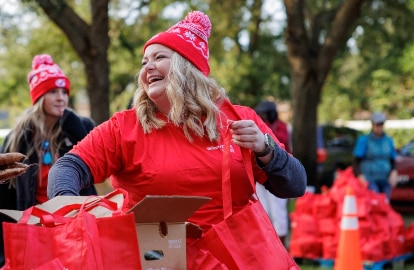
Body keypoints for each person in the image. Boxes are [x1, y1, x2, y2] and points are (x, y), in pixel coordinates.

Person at [47, 11, 306, 268]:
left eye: (159, 57)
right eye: (144, 61)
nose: (147, 67)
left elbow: (295, 186)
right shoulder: (124, 127)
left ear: (188, 68)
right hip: (161, 259)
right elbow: (67, 168)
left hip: (241, 258)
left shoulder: (239, 119)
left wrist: (266, 149)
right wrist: (69, 209)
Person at [0, 53, 97, 211]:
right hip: (33, 223)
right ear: (39, 98)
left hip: (76, 217)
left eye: (64, 92)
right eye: (53, 92)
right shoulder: (19, 136)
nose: (61, 98)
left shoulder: (81, 125)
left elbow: (96, 166)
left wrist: (76, 129)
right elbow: (5, 191)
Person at [254, 100, 291, 247]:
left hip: (277, 174)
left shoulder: (281, 128)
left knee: (278, 211)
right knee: (263, 210)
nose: (261, 116)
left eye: (264, 114)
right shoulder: (259, 124)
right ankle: (268, 245)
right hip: (260, 172)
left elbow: (277, 144)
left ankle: (281, 246)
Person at [353, 112, 398, 200]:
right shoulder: (364, 140)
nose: (379, 127)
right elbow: (356, 160)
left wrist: (394, 172)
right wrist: (359, 175)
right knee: (375, 202)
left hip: (385, 179)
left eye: (381, 124)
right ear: (372, 125)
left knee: (385, 204)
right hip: (369, 178)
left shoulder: (388, 140)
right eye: (377, 124)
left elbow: (393, 159)